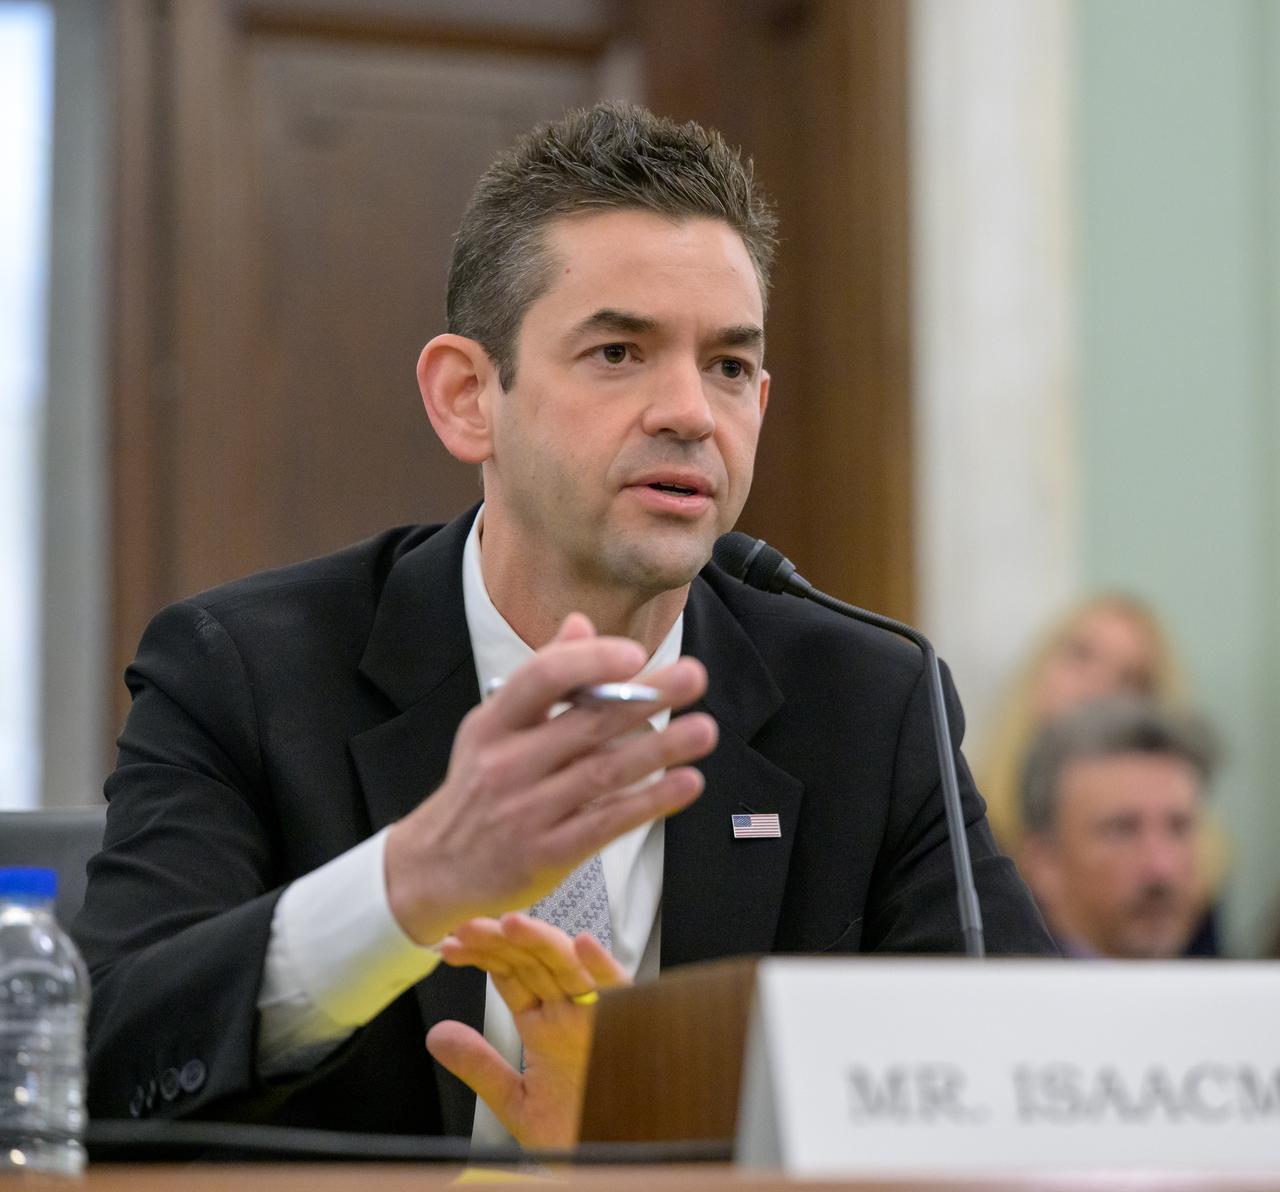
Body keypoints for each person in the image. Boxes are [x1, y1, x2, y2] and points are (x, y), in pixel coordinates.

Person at [73, 101, 1054, 1150]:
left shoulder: (868, 701)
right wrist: (407, 886)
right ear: (467, 397)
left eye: (727, 366)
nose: (690, 412)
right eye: (619, 351)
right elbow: (100, 1061)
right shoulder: (245, 675)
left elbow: (1029, 1085)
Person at [976, 594, 1187, 855]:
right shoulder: (962, 819)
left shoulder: (1173, 862)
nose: (1097, 685)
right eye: (1081, 655)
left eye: (1128, 677)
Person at [1017, 696, 1217, 959]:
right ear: (1045, 862)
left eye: (1179, 828)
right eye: (1122, 830)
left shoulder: (1237, 983)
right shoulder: (994, 983)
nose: (1160, 869)